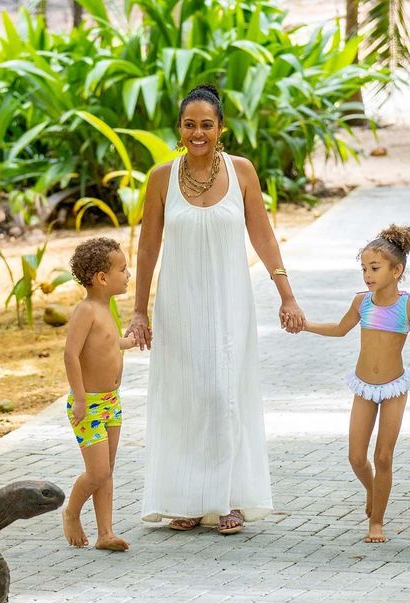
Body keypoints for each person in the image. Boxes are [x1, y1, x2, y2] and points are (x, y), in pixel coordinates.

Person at [126, 84, 305, 535]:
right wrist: (140, 311)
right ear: (179, 128)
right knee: (185, 396)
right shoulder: (161, 178)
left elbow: (263, 236)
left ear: (221, 127)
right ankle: (186, 499)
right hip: (179, 303)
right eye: (190, 124)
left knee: (224, 393)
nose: (198, 132)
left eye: (207, 124)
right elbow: (147, 248)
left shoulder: (241, 171)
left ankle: (228, 499)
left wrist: (286, 294)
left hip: (230, 303)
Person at [302, 225, 410, 542]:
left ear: (396, 270)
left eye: (374, 268)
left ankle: (376, 522)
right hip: (364, 387)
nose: (367, 275)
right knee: (356, 457)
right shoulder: (361, 302)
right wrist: (305, 325)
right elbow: (339, 329)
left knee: (383, 457)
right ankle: (373, 490)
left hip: (394, 388)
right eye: (364, 268)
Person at [62, 237, 138, 551]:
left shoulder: (106, 308)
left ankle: (105, 533)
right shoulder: (86, 311)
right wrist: (80, 398)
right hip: (89, 404)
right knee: (98, 472)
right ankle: (71, 512)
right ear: (102, 278)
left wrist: (127, 342)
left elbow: (105, 343)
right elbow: (70, 354)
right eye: (123, 269)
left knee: (107, 471)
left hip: (111, 403)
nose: (128, 274)